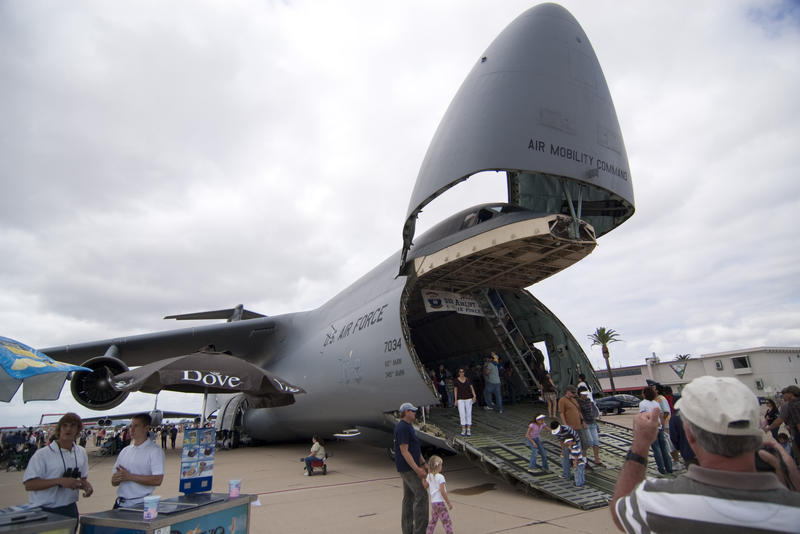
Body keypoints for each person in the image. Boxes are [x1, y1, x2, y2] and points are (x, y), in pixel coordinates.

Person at [612, 376, 800, 533]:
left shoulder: (658, 503)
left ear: (690, 435)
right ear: (756, 430)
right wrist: (791, 478)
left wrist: (640, 444)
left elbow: (621, 507)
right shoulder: (793, 512)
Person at [23, 413, 93, 524]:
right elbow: (29, 485)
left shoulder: (81, 452)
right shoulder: (42, 454)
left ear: (78, 430)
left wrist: (86, 486)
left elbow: (82, 478)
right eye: (65, 425)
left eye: (73, 425)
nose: (68, 429)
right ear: (59, 429)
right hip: (45, 510)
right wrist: (59, 481)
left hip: (70, 509)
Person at [111, 413, 165, 508]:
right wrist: (116, 479)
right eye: (131, 426)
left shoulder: (154, 451)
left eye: (136, 426)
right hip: (120, 503)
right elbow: (114, 481)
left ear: (146, 428)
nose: (132, 429)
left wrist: (130, 476)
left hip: (141, 505)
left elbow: (158, 480)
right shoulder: (125, 451)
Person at [394, 402, 429, 534]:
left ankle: (408, 530)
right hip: (408, 468)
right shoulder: (402, 428)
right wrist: (417, 469)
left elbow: (414, 448)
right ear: (406, 412)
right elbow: (404, 451)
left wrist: (423, 462)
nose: (415, 412)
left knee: (409, 498)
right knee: (421, 496)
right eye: (413, 411)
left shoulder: (409, 426)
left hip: (410, 466)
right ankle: (419, 531)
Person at [638, 387, 672, 474]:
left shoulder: (643, 404)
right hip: (659, 428)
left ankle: (661, 469)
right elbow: (661, 415)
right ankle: (669, 468)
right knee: (664, 448)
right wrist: (663, 426)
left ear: (645, 394)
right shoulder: (656, 403)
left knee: (656, 449)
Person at [423, 455, 453, 534]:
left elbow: (425, 486)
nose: (442, 466)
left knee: (433, 520)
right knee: (446, 521)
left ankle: (428, 532)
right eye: (441, 464)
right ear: (438, 466)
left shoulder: (429, 476)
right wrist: (448, 502)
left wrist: (423, 478)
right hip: (440, 503)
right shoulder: (440, 477)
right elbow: (442, 491)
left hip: (433, 503)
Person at [577, 387, 605, 467]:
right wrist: (582, 421)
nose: (585, 396)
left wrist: (596, 424)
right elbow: (579, 412)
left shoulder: (588, 400)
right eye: (584, 394)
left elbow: (592, 411)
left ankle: (597, 458)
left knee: (596, 441)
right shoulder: (578, 402)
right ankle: (584, 458)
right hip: (585, 423)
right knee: (589, 441)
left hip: (592, 422)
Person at [454, 367, 477, 437]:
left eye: (463, 372)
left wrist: (474, 396)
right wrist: (455, 399)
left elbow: (471, 388)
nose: (461, 373)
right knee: (462, 414)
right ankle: (463, 429)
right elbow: (455, 390)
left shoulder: (467, 379)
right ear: (458, 373)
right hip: (460, 399)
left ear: (464, 372)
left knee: (468, 413)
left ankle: (469, 429)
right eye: (460, 372)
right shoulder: (456, 380)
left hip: (468, 398)